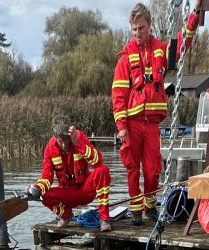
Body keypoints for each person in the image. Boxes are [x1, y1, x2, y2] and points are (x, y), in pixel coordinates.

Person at [111, 3, 168, 226]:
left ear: (149, 25)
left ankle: (150, 206)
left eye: (141, 28)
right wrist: (121, 126)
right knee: (132, 168)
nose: (137, 34)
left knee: (153, 169)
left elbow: (181, 47)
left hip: (152, 122)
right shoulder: (125, 58)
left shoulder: (160, 50)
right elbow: (118, 94)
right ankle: (136, 211)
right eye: (134, 29)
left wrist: (193, 18)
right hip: (132, 124)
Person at [27, 115, 112, 232]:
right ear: (55, 137)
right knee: (43, 195)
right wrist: (37, 188)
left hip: (85, 190)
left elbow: (98, 161)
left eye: (66, 140)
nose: (64, 145)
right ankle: (66, 216)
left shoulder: (79, 137)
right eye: (60, 141)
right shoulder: (49, 148)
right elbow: (47, 177)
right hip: (67, 193)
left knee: (103, 170)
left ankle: (104, 219)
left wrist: (78, 143)